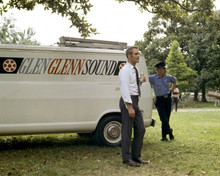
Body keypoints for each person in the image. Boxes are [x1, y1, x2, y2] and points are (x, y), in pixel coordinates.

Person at [119, 46, 148, 167]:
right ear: (129, 56)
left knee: (141, 129)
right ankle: (127, 158)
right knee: (127, 131)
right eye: (135, 54)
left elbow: (133, 85)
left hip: (135, 100)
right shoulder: (125, 70)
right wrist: (129, 107)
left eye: (138, 53)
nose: (138, 56)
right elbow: (124, 88)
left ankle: (136, 156)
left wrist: (140, 81)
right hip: (128, 101)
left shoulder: (135, 68)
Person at [148, 61, 176, 141]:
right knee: (163, 118)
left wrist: (173, 88)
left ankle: (164, 137)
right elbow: (144, 78)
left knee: (167, 118)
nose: (165, 70)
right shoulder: (153, 78)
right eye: (163, 68)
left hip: (168, 99)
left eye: (165, 68)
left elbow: (174, 80)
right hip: (160, 100)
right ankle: (170, 132)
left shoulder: (168, 77)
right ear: (159, 70)